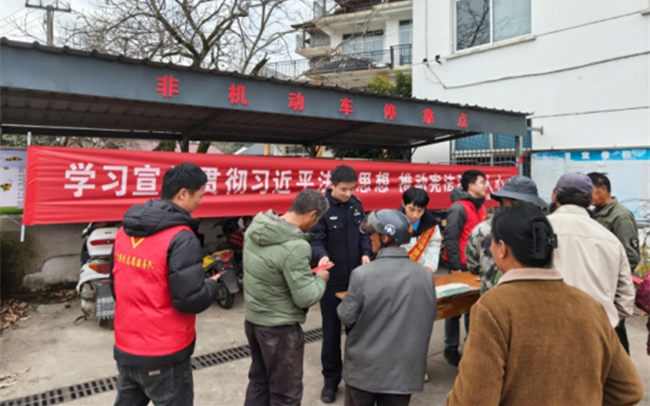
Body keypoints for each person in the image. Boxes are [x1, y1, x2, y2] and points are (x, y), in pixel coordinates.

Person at [447, 204, 644, 406]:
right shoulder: (590, 305)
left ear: (502, 248)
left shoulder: (492, 308)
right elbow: (628, 390)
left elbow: (472, 400)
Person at [111, 163, 219, 406]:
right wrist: (212, 285)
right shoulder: (182, 238)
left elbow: (115, 286)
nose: (200, 202)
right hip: (165, 355)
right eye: (200, 195)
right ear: (183, 193)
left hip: (126, 349)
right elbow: (189, 300)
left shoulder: (124, 232)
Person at [338, 210, 436, 406]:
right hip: (404, 371)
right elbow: (429, 314)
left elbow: (346, 316)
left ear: (385, 237)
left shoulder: (362, 275)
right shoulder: (425, 276)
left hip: (365, 370)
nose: (370, 239)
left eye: (373, 234)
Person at [242, 189, 331, 406]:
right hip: (279, 329)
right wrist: (321, 279)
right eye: (317, 220)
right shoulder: (296, 246)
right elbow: (306, 297)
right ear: (312, 215)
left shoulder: (256, 228)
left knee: (259, 383)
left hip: (253, 321)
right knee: (286, 395)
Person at [310, 165, 371, 403]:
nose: (348, 193)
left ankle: (357, 378)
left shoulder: (356, 205)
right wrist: (322, 256)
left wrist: (365, 253)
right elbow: (316, 240)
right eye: (344, 189)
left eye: (352, 189)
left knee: (357, 331)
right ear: (332, 185)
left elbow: (364, 235)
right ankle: (331, 381)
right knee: (331, 332)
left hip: (356, 279)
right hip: (332, 281)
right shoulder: (321, 208)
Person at [548, 173, 635, 330]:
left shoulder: (539, 230)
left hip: (549, 327)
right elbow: (626, 299)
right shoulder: (610, 240)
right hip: (597, 329)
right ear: (589, 200)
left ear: (555, 196)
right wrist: (607, 319)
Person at [466, 176, 548, 295]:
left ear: (504, 201)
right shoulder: (544, 228)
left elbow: (473, 267)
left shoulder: (482, 230)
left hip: (492, 299)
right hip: (535, 298)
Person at [588, 172, 641, 355]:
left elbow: (631, 256)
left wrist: (618, 287)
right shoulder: (595, 214)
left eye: (590, 190)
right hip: (598, 285)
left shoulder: (620, 216)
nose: (587, 196)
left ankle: (624, 369)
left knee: (615, 333)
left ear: (603, 189)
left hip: (612, 287)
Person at [441, 169, 487, 367]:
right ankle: (450, 348)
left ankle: (471, 346)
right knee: (453, 309)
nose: (485, 186)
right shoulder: (459, 208)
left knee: (473, 308)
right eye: (482, 182)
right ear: (471, 186)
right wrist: (455, 267)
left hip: (477, 265)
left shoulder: (481, 207)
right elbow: (450, 239)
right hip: (460, 265)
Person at [399, 187, 442, 274]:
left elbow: (434, 245)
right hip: (399, 272)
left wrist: (430, 265)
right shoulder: (394, 223)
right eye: (411, 209)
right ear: (403, 203)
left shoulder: (431, 225)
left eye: (420, 211)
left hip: (423, 273)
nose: (415, 215)